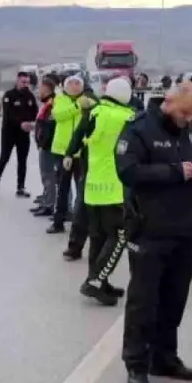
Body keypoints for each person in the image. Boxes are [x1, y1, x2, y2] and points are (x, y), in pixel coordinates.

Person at [116, 82, 192, 383]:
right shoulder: (139, 129)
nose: (188, 119)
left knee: (175, 299)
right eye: (184, 113)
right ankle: (136, 363)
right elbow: (128, 171)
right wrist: (174, 172)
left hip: (185, 229)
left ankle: (165, 357)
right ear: (168, 103)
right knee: (144, 300)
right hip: (149, 228)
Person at [68, 77, 135, 305]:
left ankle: (99, 281)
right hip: (114, 187)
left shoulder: (95, 112)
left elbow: (77, 137)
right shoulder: (126, 117)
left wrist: (70, 153)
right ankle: (95, 281)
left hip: (92, 186)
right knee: (118, 236)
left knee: (97, 237)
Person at [48, 74, 97, 258]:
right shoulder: (60, 99)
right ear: (65, 86)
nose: (75, 86)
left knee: (82, 190)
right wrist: (78, 106)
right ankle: (58, 221)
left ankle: (80, 223)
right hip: (62, 152)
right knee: (62, 188)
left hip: (81, 152)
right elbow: (59, 116)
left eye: (78, 83)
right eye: (71, 83)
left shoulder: (90, 101)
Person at [0, 71, 40, 197]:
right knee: (4, 158)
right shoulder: (9, 95)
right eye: (23, 82)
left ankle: (21, 187)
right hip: (9, 132)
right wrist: (20, 123)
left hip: (23, 134)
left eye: (27, 83)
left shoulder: (30, 96)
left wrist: (32, 123)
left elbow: (35, 111)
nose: (25, 85)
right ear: (17, 81)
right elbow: (8, 115)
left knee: (22, 160)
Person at [31, 75, 60, 217]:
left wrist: (44, 142)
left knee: (49, 176)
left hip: (49, 146)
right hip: (45, 145)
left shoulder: (52, 104)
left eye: (40, 87)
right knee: (46, 176)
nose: (38, 90)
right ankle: (46, 201)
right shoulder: (47, 103)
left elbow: (50, 127)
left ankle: (49, 205)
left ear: (47, 88)